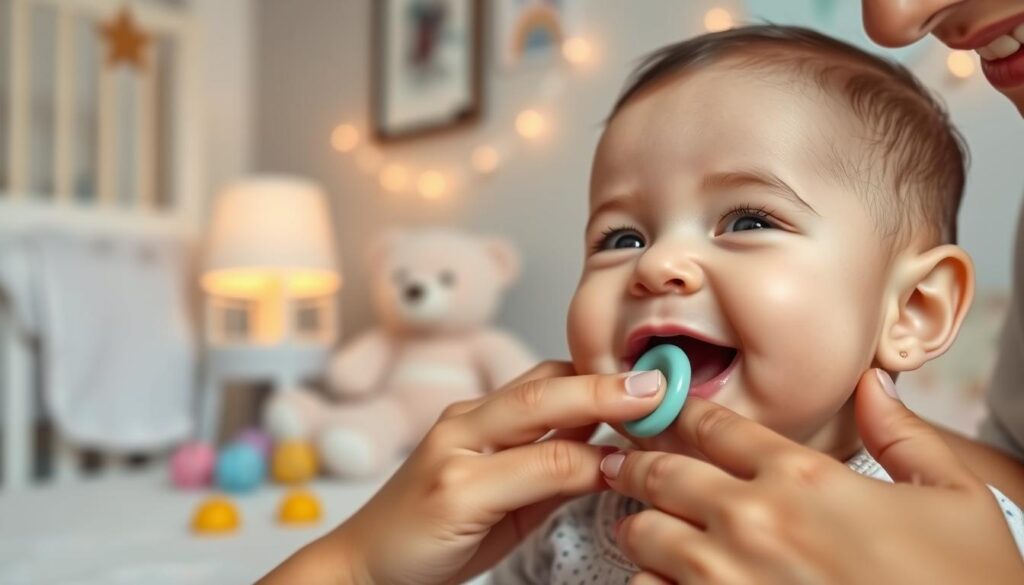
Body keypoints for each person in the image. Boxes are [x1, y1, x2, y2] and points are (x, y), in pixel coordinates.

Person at [260, 22, 1024, 584]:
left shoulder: (957, 539)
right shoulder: (561, 522)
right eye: (620, 236)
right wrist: (358, 566)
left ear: (912, 311)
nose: (657, 262)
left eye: (748, 220)